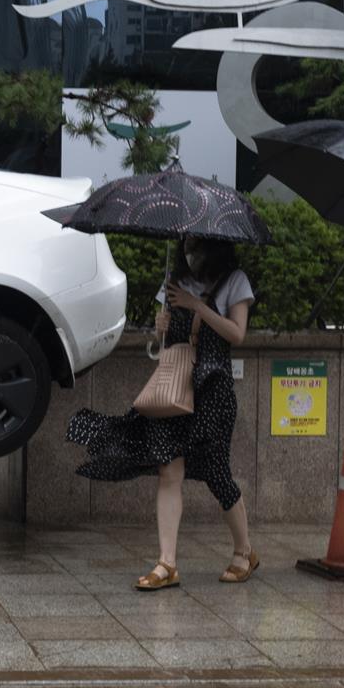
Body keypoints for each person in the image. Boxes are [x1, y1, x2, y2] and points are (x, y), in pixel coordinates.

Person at [67, 235, 258, 589]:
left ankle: (244, 551)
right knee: (168, 469)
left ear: (214, 245)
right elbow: (164, 337)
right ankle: (166, 562)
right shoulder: (175, 279)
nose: (189, 251)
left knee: (217, 472)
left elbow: (237, 333)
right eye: (186, 243)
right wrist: (162, 326)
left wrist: (198, 307)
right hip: (176, 387)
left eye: (196, 245)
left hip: (212, 390)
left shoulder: (234, 281)